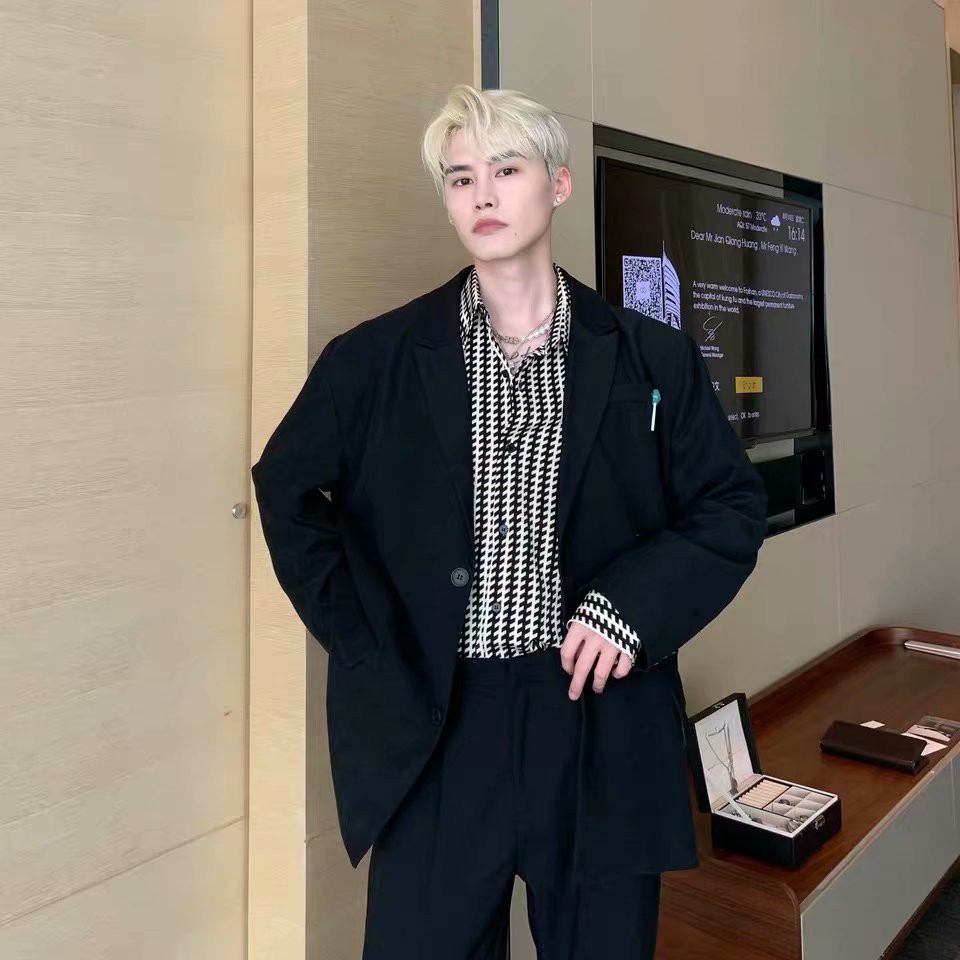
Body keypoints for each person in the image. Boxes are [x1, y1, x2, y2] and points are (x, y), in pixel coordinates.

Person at [251, 83, 768, 960]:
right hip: (440, 723)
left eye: (505, 170)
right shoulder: (374, 359)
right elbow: (286, 489)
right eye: (460, 179)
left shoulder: (651, 356)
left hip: (597, 719)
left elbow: (731, 505)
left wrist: (631, 606)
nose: (481, 195)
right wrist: (365, 638)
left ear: (557, 184)